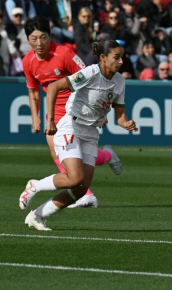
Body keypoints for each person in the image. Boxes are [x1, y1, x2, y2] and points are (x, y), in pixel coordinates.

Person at [20, 40, 138, 230]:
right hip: (71, 126)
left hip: (91, 133)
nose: (121, 62)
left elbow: (120, 116)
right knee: (74, 178)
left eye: (121, 57)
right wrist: (50, 121)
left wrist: (126, 123)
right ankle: (35, 185)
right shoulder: (91, 72)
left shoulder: (119, 81)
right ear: (103, 58)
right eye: (116, 57)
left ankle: (37, 215)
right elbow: (53, 87)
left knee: (82, 188)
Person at [21, 18, 122, 210]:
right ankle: (96, 173)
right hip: (54, 109)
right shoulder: (28, 62)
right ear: (28, 40)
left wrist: (99, 109)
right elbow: (33, 89)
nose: (39, 43)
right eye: (34, 39)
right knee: (57, 153)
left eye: (43, 37)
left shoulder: (64, 53)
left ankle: (87, 189)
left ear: (50, 36)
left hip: (75, 108)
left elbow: (90, 77)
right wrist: (35, 116)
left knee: (74, 156)